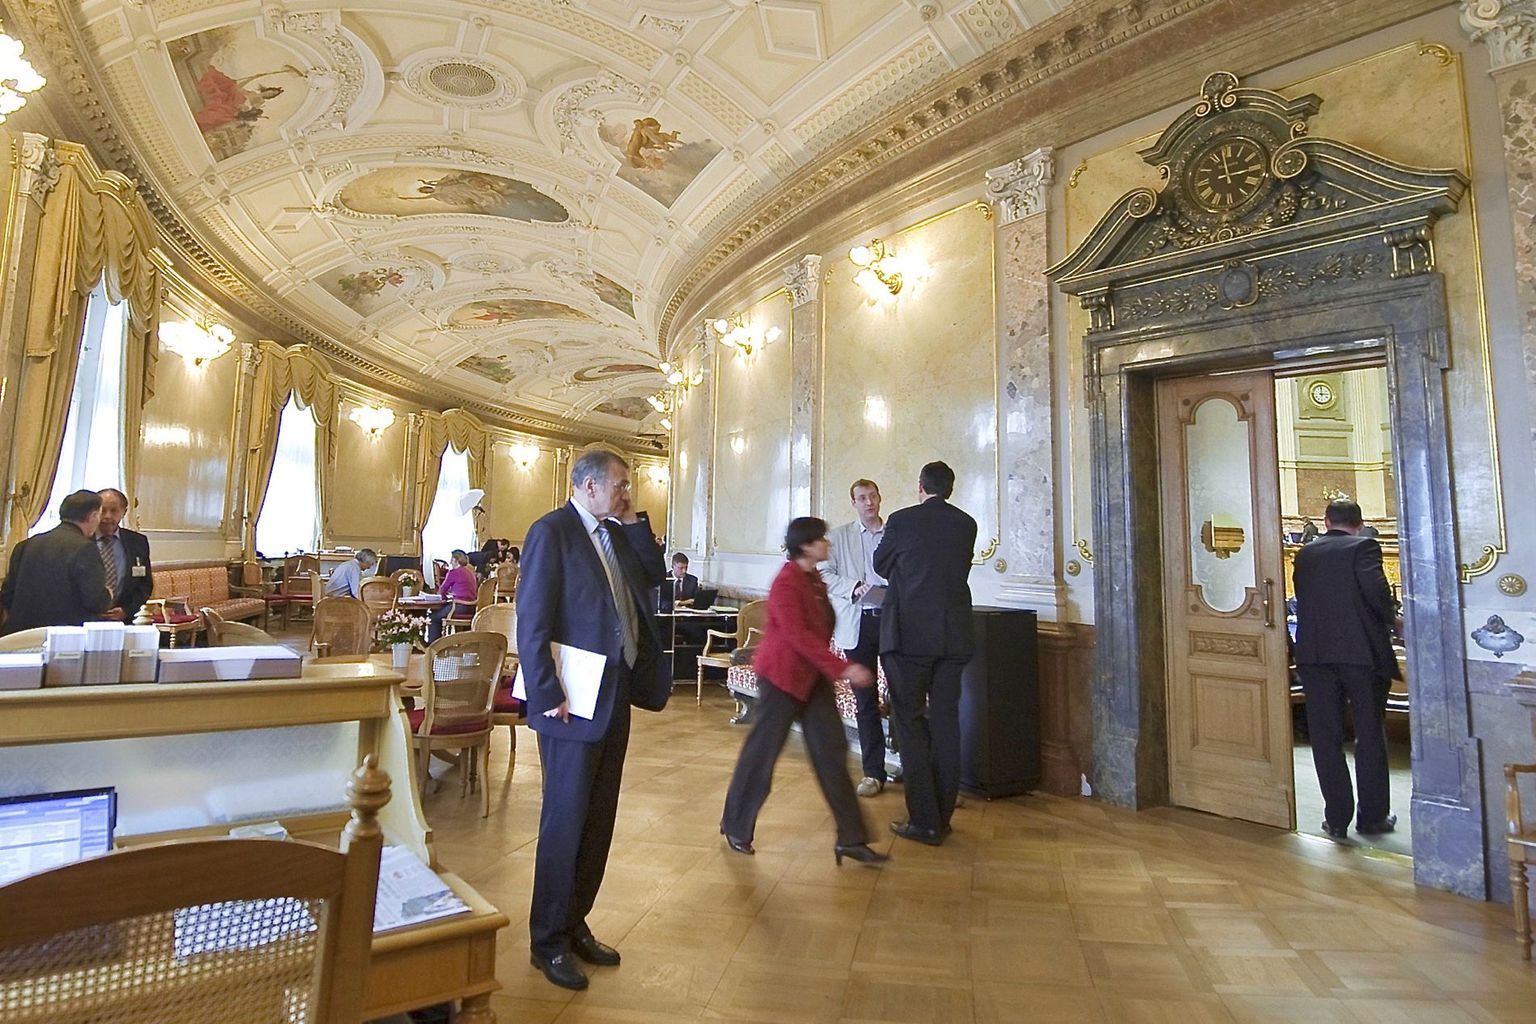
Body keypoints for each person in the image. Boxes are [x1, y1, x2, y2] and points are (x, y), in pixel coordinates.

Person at [517, 448, 668, 992]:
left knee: (598, 816)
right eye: (620, 485)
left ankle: (575, 921)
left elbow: (655, 579)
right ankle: (547, 940)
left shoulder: (616, 534)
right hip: (570, 699)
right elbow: (531, 617)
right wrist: (545, 689)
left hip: (614, 694)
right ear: (587, 486)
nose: (628, 493)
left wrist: (632, 522)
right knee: (565, 819)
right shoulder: (551, 532)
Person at [720, 517, 885, 866]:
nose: (828, 543)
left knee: (832, 754)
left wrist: (832, 668)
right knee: (761, 757)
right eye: (822, 539)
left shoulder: (814, 579)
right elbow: (798, 636)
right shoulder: (787, 583)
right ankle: (736, 826)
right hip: (781, 679)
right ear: (807, 545)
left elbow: (820, 632)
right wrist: (844, 667)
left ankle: (851, 838)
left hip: (812, 680)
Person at [873, 461, 977, 846]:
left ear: (920, 487)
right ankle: (942, 818)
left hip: (909, 636)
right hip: (953, 637)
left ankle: (923, 820)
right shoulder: (967, 524)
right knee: (947, 726)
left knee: (910, 724)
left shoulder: (902, 520)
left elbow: (880, 563)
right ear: (950, 488)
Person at [1292, 498, 1400, 839]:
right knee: (1369, 734)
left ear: (1325, 522)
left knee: (1326, 738)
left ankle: (1336, 819)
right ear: (1359, 523)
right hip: (1361, 655)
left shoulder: (1305, 553)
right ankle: (1372, 818)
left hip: (1315, 656)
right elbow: (1376, 592)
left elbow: (1302, 595)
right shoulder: (1364, 547)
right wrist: (1393, 618)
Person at [820, 479, 891, 797]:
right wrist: (854, 587)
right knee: (866, 700)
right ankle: (873, 772)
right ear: (853, 503)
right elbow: (824, 574)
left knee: (903, 695)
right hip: (856, 622)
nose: (868, 502)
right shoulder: (839, 537)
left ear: (880, 498)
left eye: (873, 496)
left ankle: (909, 765)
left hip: (891, 621)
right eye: (862, 498)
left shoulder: (894, 534)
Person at [0, 490, 111, 634]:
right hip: (63, 638)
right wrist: (108, 594)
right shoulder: (85, 549)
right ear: (93, 516)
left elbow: (8, 594)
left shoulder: (25, 545)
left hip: (19, 635)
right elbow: (95, 601)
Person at [95, 488, 153, 623]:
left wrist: (127, 610)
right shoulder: (82, 541)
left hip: (124, 620)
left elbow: (144, 584)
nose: (107, 516)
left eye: (114, 510)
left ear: (123, 512)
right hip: (87, 619)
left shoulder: (137, 542)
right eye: (102, 510)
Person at [427, 549, 477, 643]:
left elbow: (442, 590)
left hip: (458, 607)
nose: (450, 562)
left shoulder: (453, 572)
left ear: (456, 560)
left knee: (432, 618)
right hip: (472, 608)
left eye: (452, 559)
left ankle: (433, 646)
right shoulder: (470, 572)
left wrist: (443, 597)